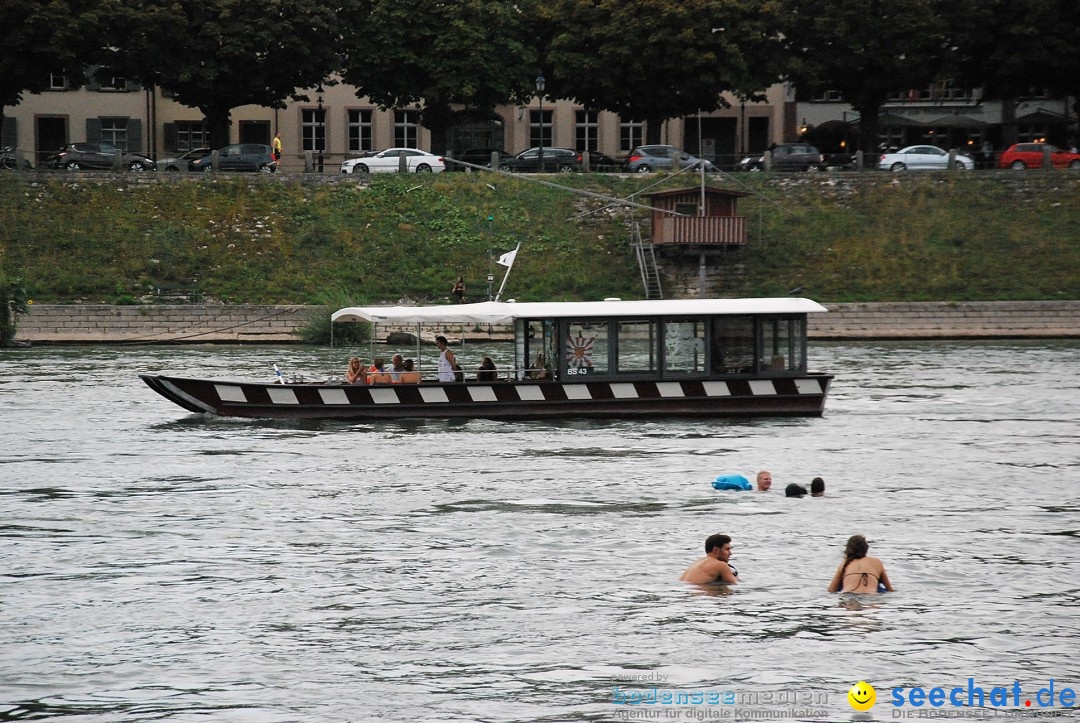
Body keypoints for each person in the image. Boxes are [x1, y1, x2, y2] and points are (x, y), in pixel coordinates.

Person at [827, 535, 893, 594]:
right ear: (866, 548)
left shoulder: (845, 563)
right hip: (870, 596)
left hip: (848, 595)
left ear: (848, 549)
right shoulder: (876, 562)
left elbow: (832, 590)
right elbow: (890, 589)